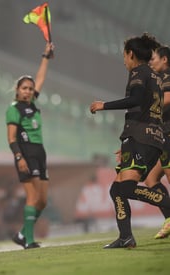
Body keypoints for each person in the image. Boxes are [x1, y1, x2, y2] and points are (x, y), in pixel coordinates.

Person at [90, 33, 170, 248]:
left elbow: (134, 100)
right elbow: (145, 108)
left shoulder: (138, 72)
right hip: (148, 138)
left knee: (125, 189)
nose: (124, 60)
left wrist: (103, 105)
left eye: (124, 55)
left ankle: (167, 205)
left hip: (140, 137)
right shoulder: (156, 76)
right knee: (117, 190)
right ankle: (126, 237)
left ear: (131, 54)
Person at [6, 42, 54, 249]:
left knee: (42, 201)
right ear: (17, 90)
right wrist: (19, 157)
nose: (28, 91)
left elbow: (41, 78)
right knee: (32, 197)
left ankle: (22, 234)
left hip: (40, 153)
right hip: (25, 153)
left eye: (30, 89)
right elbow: (11, 138)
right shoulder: (14, 109)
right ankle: (29, 240)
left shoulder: (32, 104)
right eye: (24, 88)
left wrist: (45, 56)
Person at [144, 45, 170, 239]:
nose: (150, 61)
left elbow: (166, 99)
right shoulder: (159, 80)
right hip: (163, 137)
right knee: (151, 180)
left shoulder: (167, 78)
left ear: (164, 60)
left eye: (153, 58)